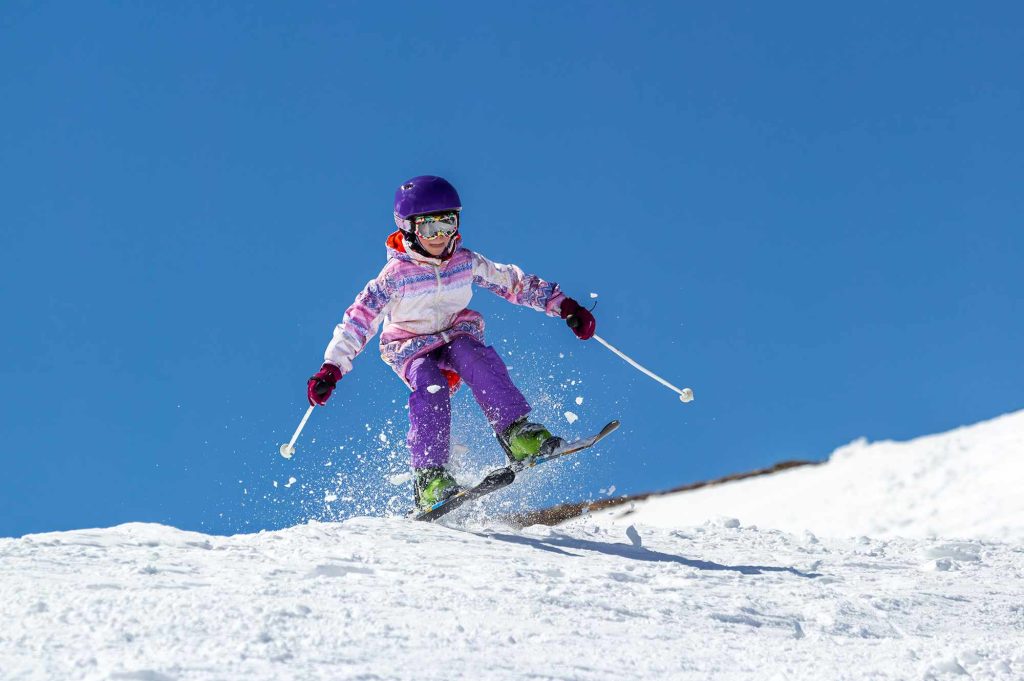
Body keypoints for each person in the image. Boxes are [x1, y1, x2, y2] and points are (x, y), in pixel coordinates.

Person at [307, 175, 596, 512]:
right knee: (430, 386)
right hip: (409, 347)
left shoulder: (465, 262)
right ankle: (429, 476)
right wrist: (332, 368)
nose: (441, 236)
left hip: (456, 333)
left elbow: (513, 283)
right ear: (409, 229)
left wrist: (565, 306)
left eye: (448, 223)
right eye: (430, 229)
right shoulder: (394, 276)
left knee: (475, 357)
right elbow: (359, 320)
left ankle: (517, 432)